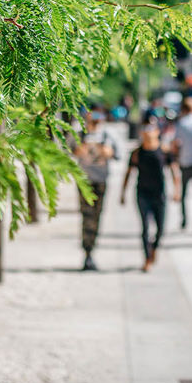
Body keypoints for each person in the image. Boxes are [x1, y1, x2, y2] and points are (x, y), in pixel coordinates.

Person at [120, 125, 180, 271]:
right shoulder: (136, 153)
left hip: (159, 194)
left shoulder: (164, 151)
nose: (148, 133)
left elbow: (174, 171)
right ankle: (147, 259)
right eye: (145, 130)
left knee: (161, 229)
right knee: (145, 228)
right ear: (141, 133)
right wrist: (123, 192)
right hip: (142, 193)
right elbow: (129, 172)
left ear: (157, 132)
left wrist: (177, 190)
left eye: (151, 129)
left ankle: (154, 248)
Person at [74, 111, 117, 271]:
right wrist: (80, 148)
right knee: (86, 216)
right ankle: (87, 252)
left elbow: (117, 154)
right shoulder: (78, 134)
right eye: (93, 121)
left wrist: (107, 151)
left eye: (98, 121)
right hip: (84, 181)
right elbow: (68, 150)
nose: (95, 124)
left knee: (97, 216)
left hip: (101, 181)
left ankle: (92, 249)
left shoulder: (107, 135)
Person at [172, 97, 192, 231]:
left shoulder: (181, 123)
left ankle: (184, 220)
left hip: (185, 161)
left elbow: (176, 143)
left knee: (184, 195)